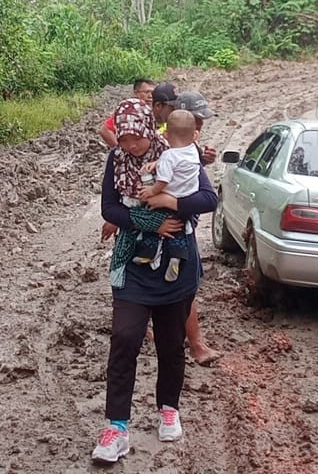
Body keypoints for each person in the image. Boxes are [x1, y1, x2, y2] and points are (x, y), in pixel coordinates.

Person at [93, 99, 218, 463]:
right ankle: (116, 428)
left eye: (136, 139)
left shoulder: (180, 154)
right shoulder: (116, 160)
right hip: (132, 262)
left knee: (170, 341)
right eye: (124, 138)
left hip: (174, 264)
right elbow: (110, 208)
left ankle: (168, 409)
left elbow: (207, 198)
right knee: (125, 338)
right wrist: (151, 221)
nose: (130, 146)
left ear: (151, 130)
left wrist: (168, 201)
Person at [173, 90, 222, 366]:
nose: (202, 125)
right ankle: (195, 344)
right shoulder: (173, 148)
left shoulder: (181, 148)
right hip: (177, 230)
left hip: (177, 227)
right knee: (186, 287)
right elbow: (207, 198)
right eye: (198, 119)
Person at [136, 110, 203, 281]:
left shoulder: (167, 156)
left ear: (165, 135)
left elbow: (164, 180)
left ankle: (149, 252)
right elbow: (178, 160)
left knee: (153, 220)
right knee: (177, 230)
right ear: (195, 135)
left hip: (168, 197)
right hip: (187, 199)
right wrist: (158, 163)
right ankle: (176, 258)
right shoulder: (194, 150)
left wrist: (152, 191)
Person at [100, 78, 156, 147]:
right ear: (136, 93)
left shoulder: (156, 110)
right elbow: (105, 130)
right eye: (146, 92)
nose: (150, 96)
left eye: (153, 93)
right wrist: (120, 150)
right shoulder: (129, 111)